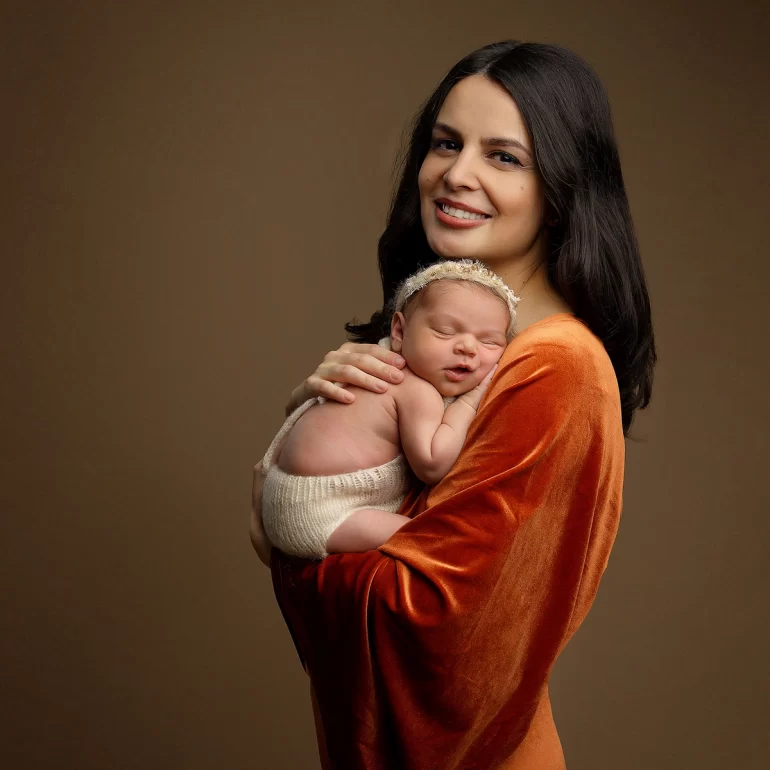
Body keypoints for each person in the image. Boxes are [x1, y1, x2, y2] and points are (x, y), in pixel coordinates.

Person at [250, 40, 655, 769]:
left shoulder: (552, 366)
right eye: (445, 143)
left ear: (561, 187)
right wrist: (309, 440)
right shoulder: (448, 350)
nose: (455, 174)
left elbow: (443, 629)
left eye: (503, 156)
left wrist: (290, 527)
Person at [260, 260, 517, 559]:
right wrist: (470, 401)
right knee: (432, 540)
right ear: (399, 331)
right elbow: (433, 464)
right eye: (445, 331)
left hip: (281, 492)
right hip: (324, 510)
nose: (468, 348)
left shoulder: (374, 358)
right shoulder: (411, 386)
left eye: (489, 341)